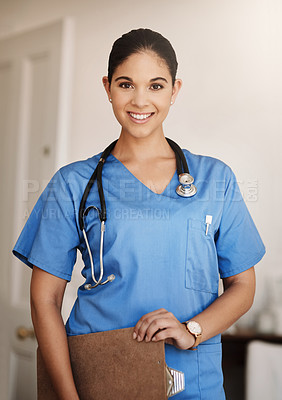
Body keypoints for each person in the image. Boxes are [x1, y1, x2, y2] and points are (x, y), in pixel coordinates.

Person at [13, 28, 265, 399]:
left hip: (194, 379)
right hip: (101, 373)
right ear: (108, 87)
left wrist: (192, 329)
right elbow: (44, 300)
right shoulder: (73, 183)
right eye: (126, 84)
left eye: (157, 86)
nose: (140, 100)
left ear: (175, 90)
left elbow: (243, 286)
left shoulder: (215, 179)